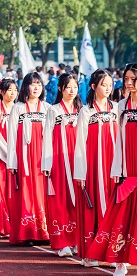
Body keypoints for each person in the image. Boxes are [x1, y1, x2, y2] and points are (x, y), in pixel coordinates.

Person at [87, 63, 137, 276]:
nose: (129, 83)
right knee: (122, 212)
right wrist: (117, 167)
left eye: (133, 79)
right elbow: (119, 138)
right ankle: (121, 260)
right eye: (127, 78)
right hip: (127, 166)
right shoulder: (121, 105)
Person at [73, 69, 118, 267]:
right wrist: (81, 171)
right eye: (103, 84)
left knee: (112, 205)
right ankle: (91, 253)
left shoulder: (116, 108)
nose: (107, 88)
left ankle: (112, 251)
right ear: (93, 86)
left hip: (113, 165)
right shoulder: (86, 111)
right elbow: (80, 143)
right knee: (93, 208)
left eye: (110, 84)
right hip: (92, 165)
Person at [6, 72, 50, 246]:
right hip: (23, 157)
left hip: (42, 158)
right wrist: (12, 162)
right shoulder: (18, 108)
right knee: (25, 193)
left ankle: (44, 232)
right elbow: (11, 136)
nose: (36, 87)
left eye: (39, 84)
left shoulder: (47, 108)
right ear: (26, 86)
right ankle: (27, 232)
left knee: (42, 193)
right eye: (32, 84)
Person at [41, 72, 82, 257]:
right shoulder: (53, 110)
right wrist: (47, 163)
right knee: (60, 200)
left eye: (75, 87)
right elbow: (47, 137)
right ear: (60, 89)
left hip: (78, 161)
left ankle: (76, 240)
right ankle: (62, 241)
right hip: (58, 161)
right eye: (68, 87)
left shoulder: (82, 109)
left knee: (77, 200)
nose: (72, 90)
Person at [0, 78, 18, 238]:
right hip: (1, 155)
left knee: (12, 190)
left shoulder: (19, 109)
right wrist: (6, 152)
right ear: (1, 92)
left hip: (16, 156)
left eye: (14, 90)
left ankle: (13, 223)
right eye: (9, 90)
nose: (12, 94)